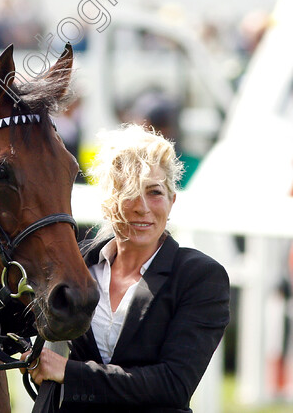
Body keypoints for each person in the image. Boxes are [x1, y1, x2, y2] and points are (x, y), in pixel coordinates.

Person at [25, 123, 230, 412]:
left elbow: (173, 384)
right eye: (129, 191)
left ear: (172, 201)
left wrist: (69, 373)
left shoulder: (200, 277)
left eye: (155, 192)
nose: (142, 207)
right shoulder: (78, 267)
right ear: (107, 202)